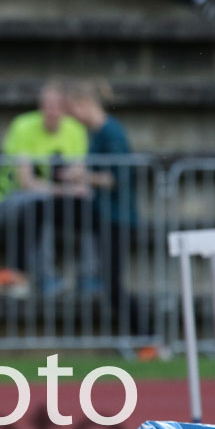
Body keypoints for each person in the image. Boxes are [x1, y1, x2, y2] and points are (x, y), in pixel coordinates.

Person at [0, 81, 95, 298]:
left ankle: (89, 276)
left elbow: (79, 177)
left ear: (65, 108)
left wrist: (72, 186)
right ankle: (44, 277)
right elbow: (26, 181)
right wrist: (64, 188)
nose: (52, 110)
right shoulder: (23, 126)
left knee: (90, 208)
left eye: (58, 105)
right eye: (47, 105)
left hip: (52, 195)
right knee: (39, 209)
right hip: (12, 197)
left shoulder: (75, 131)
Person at [62, 81, 149, 341]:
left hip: (118, 219)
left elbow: (118, 177)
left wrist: (84, 176)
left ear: (84, 105)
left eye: (72, 110)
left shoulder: (111, 133)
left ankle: (148, 336)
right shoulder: (99, 133)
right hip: (105, 215)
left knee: (112, 286)